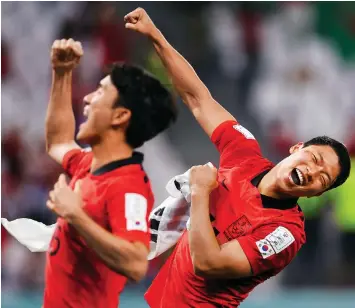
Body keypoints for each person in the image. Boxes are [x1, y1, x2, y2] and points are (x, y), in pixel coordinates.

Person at [124, 8, 352, 307]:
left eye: (322, 179)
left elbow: (210, 264)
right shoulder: (244, 155)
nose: (312, 171)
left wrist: (200, 193)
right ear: (297, 148)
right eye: (315, 158)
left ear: (317, 193)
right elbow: (198, 98)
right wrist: (156, 37)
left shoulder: (284, 234)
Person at [43, 38, 177, 308]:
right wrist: (62, 73)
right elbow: (58, 141)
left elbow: (137, 263)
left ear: (120, 116)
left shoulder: (128, 188)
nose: (88, 98)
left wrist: (76, 215)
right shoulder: (89, 164)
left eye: (100, 92)